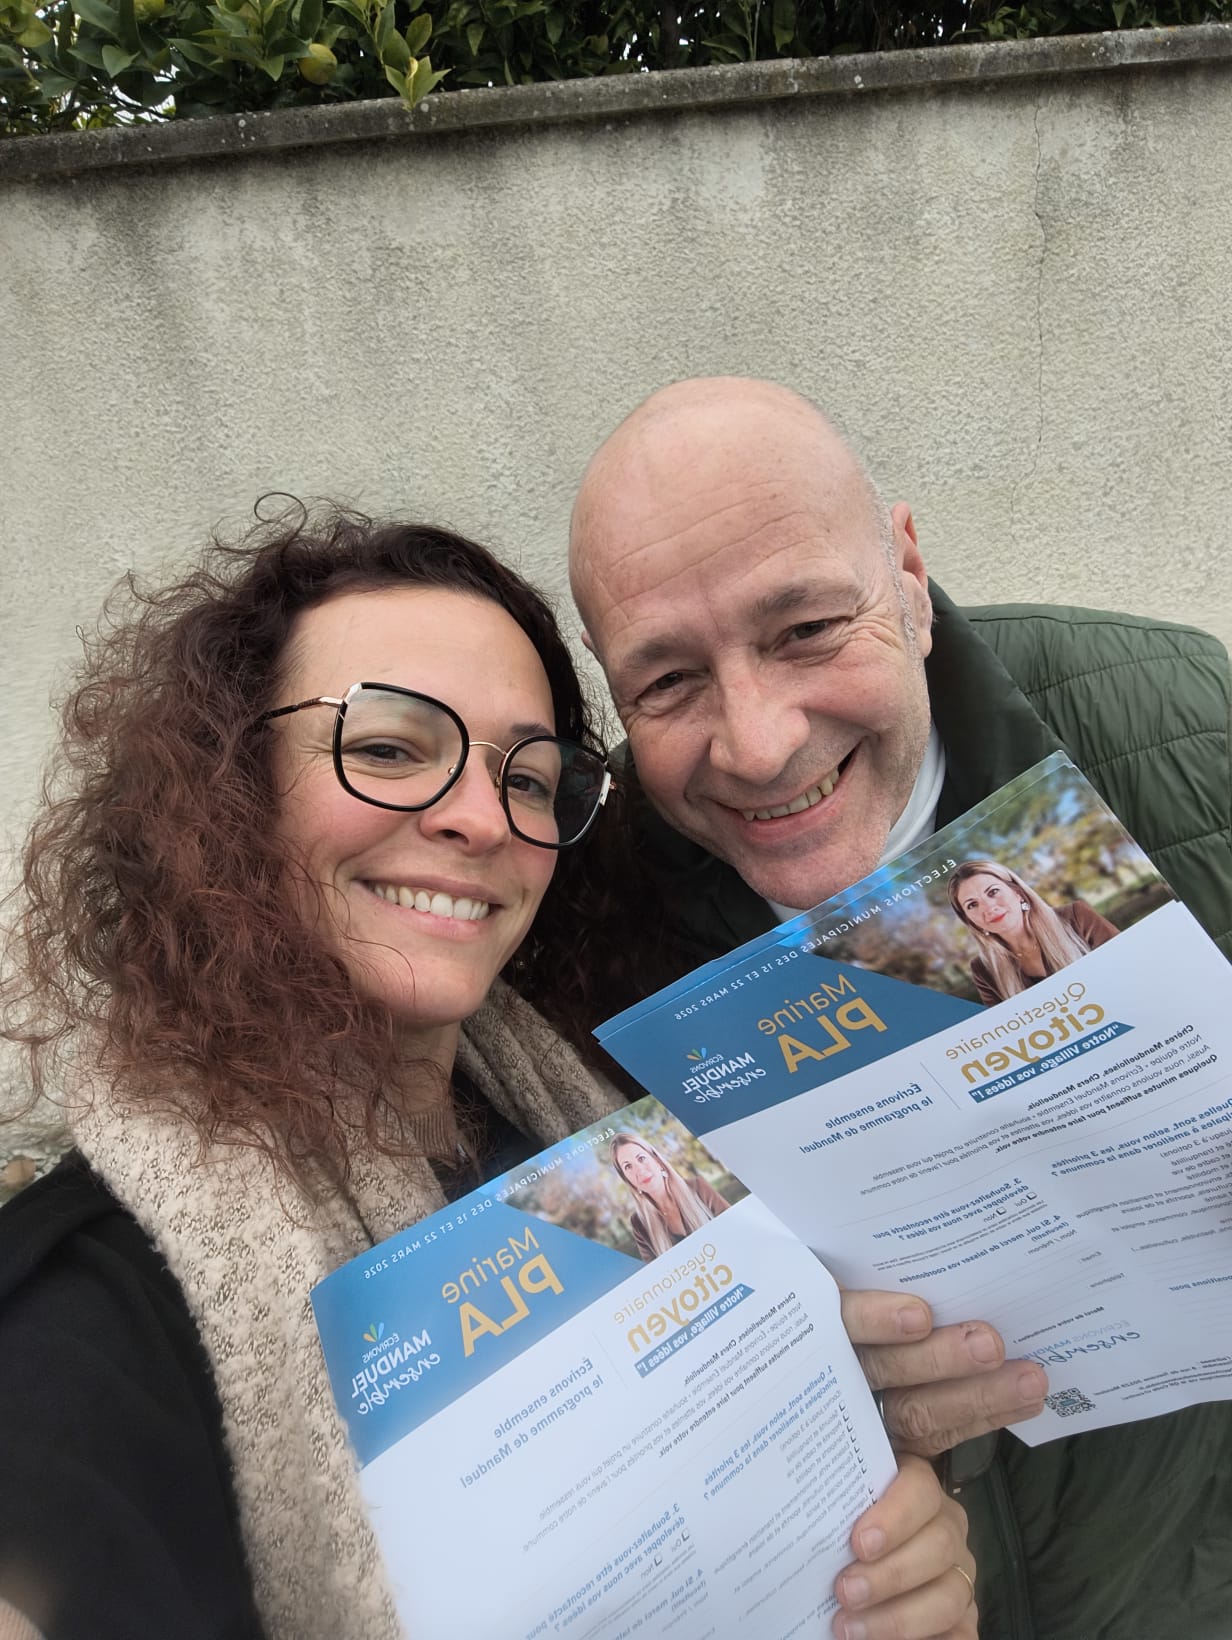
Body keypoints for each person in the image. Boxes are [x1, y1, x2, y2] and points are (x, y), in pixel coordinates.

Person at [0, 509, 975, 1640]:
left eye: (529, 775)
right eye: (388, 749)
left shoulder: (603, 1126)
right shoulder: (88, 1319)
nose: (481, 818)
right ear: (229, 787)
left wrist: (885, 1559)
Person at [568, 376, 1232, 1640]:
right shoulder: (584, 913)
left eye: (806, 627)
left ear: (909, 577)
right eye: (666, 681)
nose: (756, 742)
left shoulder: (1187, 729)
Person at [948, 858, 1119, 1005]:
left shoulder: (1076, 916)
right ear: (968, 920)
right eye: (972, 904)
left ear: (1018, 892)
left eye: (993, 892)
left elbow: (1125, 966)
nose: (989, 907)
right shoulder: (983, 970)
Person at [609, 1129, 729, 1258]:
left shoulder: (698, 1187)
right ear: (627, 1180)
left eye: (641, 1158)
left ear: (657, 1160)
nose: (639, 1170)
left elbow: (734, 1226)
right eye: (628, 1166)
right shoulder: (639, 1223)